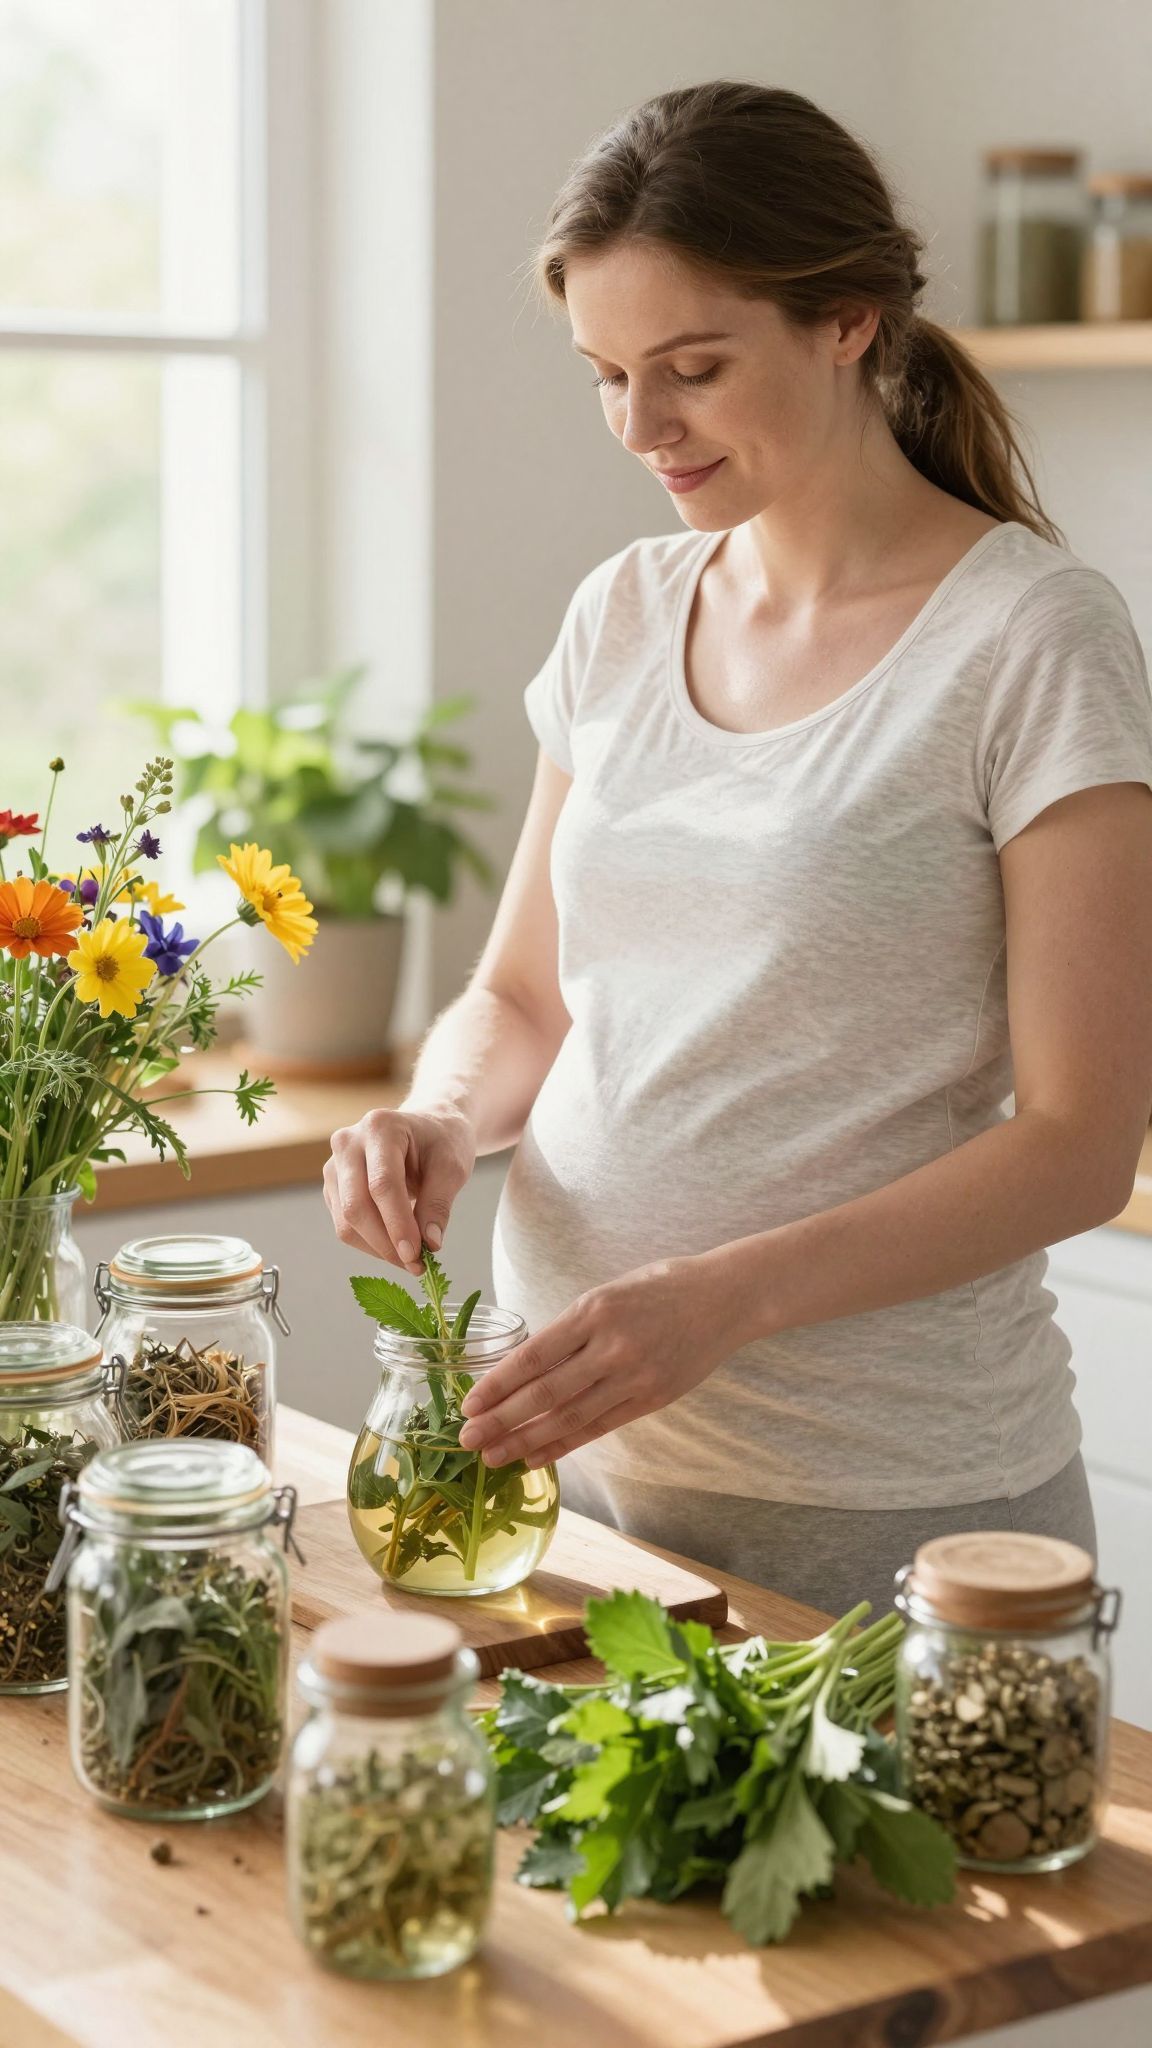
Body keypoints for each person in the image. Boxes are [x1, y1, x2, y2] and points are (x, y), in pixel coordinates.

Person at [323, 82, 1152, 1616]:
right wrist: (438, 1114)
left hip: (885, 1503)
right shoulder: (623, 612)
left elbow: (1081, 1143)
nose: (643, 428)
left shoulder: (1034, 639)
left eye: (693, 370)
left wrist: (722, 1302)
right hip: (566, 1472)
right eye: (608, 376)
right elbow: (522, 998)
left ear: (847, 321)